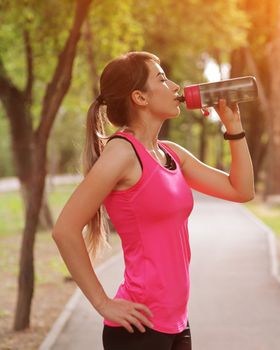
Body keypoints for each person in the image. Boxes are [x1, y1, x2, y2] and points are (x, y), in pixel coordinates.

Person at [52, 51, 255, 350]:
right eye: (161, 78)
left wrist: (233, 127)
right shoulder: (121, 153)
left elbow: (241, 190)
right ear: (140, 98)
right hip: (139, 327)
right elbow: (65, 230)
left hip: (176, 322)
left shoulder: (171, 153)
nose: (175, 87)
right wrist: (103, 303)